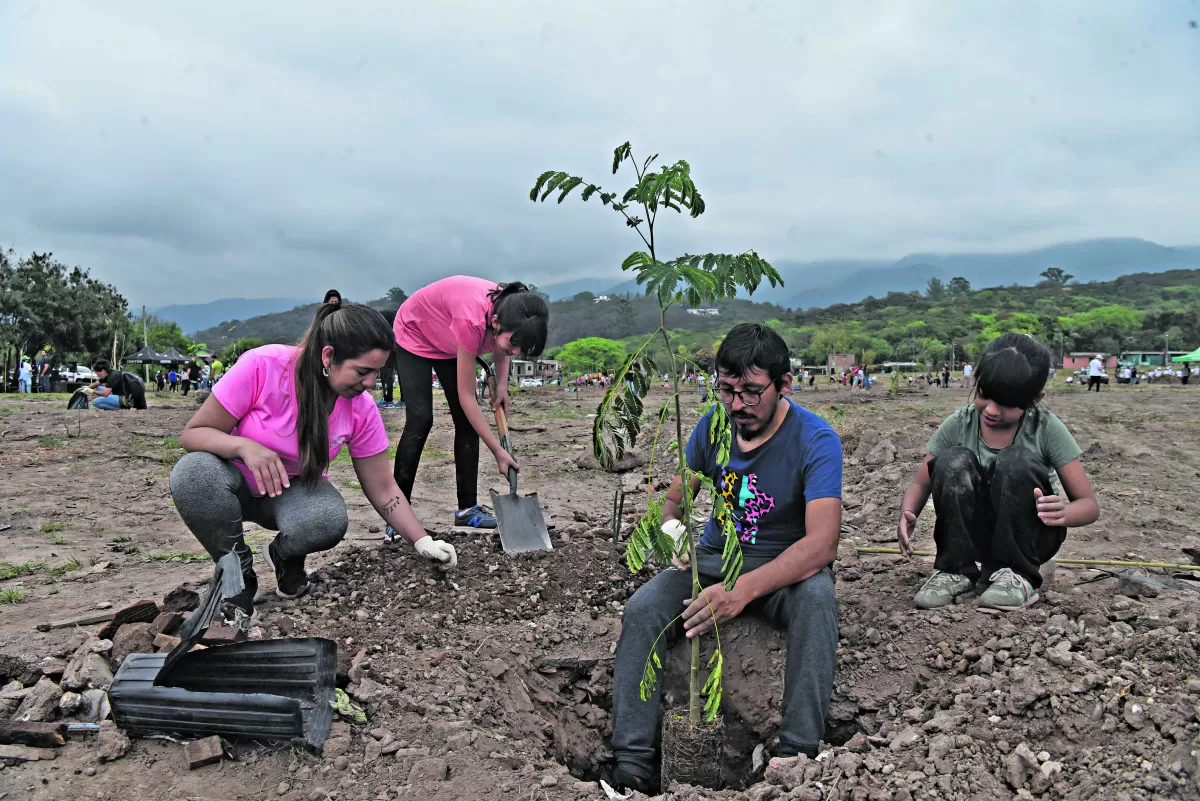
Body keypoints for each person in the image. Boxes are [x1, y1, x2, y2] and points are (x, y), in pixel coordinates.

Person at [610, 324, 842, 793]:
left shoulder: (816, 441)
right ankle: (631, 763)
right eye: (727, 390)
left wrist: (739, 594)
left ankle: (795, 752)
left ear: (785, 385)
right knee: (642, 609)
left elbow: (821, 545)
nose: (737, 405)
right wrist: (673, 533)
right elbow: (672, 502)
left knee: (818, 600)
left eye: (753, 392)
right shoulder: (712, 429)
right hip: (714, 560)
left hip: (785, 571)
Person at [170, 303, 457, 618]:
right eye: (362, 371)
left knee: (327, 519)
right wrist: (242, 446)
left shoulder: (360, 409)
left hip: (287, 493)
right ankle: (236, 573)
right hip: (230, 483)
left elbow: (383, 487)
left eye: (377, 372)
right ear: (328, 356)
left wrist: (422, 540)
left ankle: (284, 557)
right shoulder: (262, 366)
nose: (371, 383)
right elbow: (194, 434)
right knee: (194, 473)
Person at [897, 333, 1100, 612]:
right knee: (952, 460)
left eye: (1006, 403)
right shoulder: (961, 423)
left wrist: (1064, 513)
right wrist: (908, 512)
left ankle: (1018, 575)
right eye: (984, 395)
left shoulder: (1045, 428)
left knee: (1015, 461)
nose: (992, 410)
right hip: (974, 536)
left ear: (1035, 398)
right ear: (976, 381)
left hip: (1030, 539)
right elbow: (921, 483)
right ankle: (957, 571)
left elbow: (1089, 505)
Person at [389, 277, 549, 534]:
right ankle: (396, 515)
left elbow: (502, 350)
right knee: (420, 419)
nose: (517, 352)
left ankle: (467, 509)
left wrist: (502, 387)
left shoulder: (509, 311)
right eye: (514, 344)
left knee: (465, 424)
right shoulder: (472, 319)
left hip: (447, 340)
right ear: (495, 324)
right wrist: (498, 450)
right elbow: (467, 397)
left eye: (522, 348)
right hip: (415, 334)